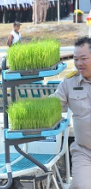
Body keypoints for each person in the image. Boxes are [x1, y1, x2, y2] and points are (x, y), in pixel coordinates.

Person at [51, 37, 91, 188]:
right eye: (75, 59)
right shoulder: (70, 82)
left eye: (83, 58)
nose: (79, 63)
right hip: (84, 152)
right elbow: (52, 104)